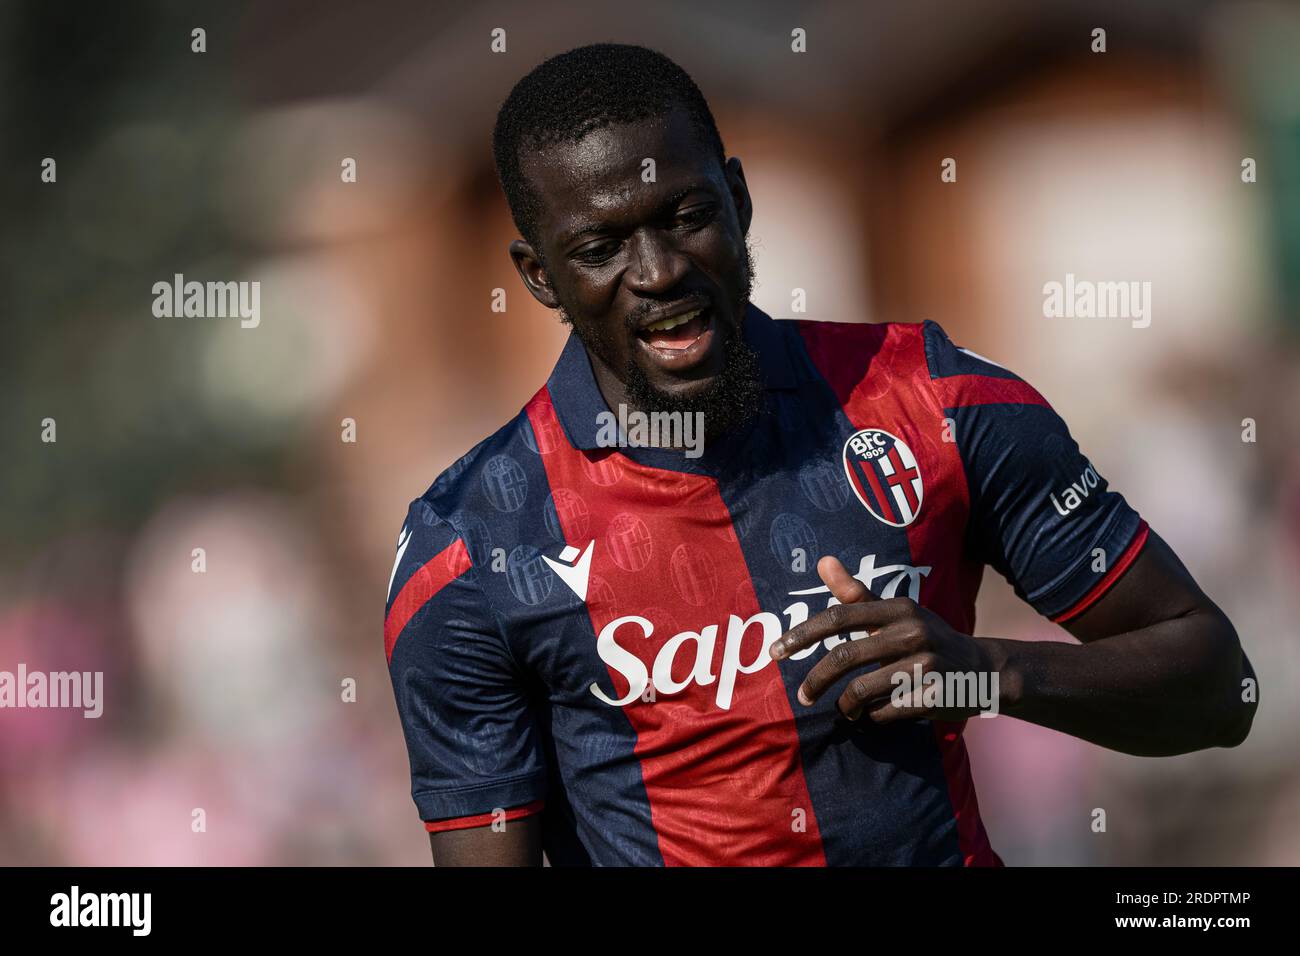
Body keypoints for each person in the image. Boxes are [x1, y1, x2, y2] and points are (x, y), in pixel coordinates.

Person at [383, 43, 1255, 866]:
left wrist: (989, 671)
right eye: (600, 248)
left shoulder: (942, 405)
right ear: (541, 277)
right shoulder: (468, 547)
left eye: (686, 217)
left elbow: (1218, 689)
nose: (657, 272)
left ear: (739, 201)